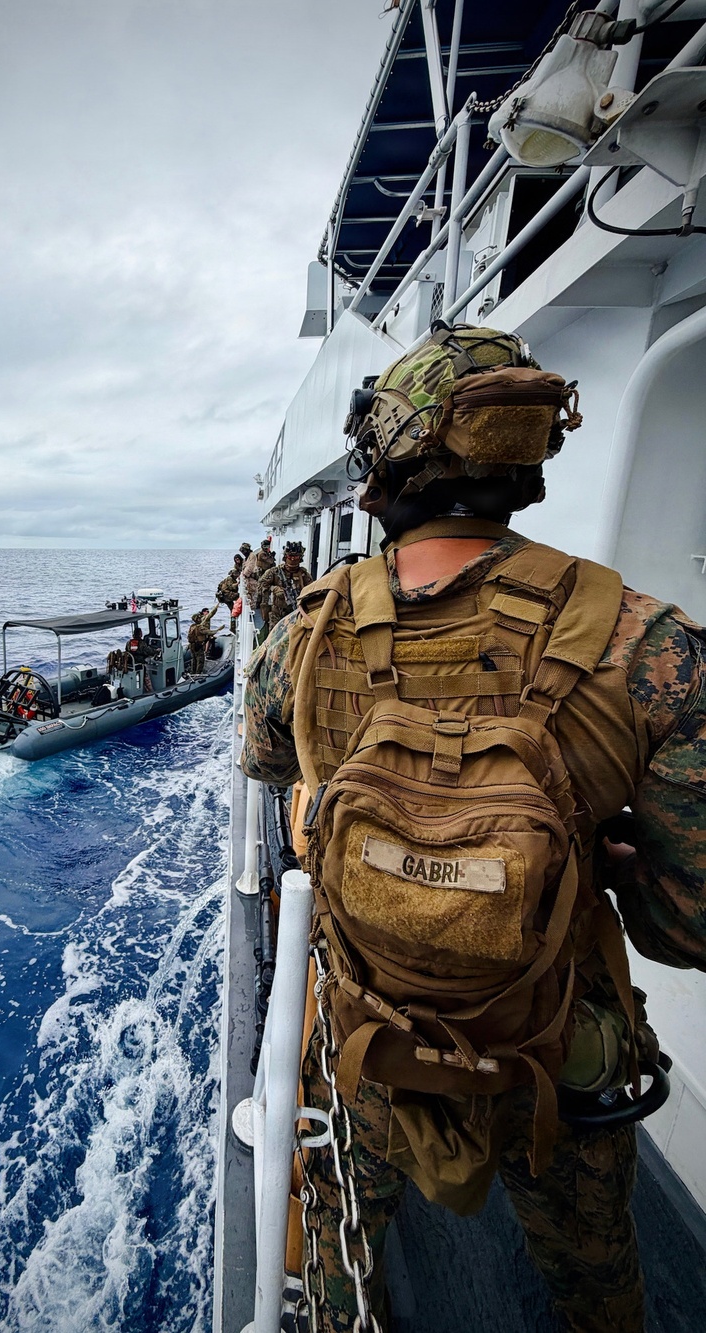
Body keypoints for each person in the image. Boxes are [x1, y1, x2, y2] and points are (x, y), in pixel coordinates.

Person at [241, 322, 706, 1333]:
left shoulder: (299, 637)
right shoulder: (646, 642)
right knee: (595, 1277)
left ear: (390, 451)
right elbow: (690, 927)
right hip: (557, 1049)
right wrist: (605, 867)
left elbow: (275, 783)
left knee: (338, 1241)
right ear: (528, 452)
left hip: (369, 1034)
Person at [255, 540, 312, 642]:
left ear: (300, 558)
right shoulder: (275, 572)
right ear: (286, 557)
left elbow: (312, 591)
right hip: (277, 614)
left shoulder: (304, 575)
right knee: (274, 641)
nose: (293, 559)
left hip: (297, 614)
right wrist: (274, 588)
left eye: (296, 557)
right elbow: (260, 585)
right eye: (290, 557)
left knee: (295, 640)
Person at [242, 536, 275, 613]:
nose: (266, 548)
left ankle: (259, 605)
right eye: (265, 546)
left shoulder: (265, 553)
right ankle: (258, 606)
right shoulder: (261, 554)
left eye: (267, 546)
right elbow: (270, 561)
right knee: (260, 591)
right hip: (262, 574)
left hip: (266, 573)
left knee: (262, 591)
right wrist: (271, 557)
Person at [187, 605, 218, 675]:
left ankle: (192, 672)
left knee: (193, 660)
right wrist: (217, 630)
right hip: (198, 646)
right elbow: (208, 632)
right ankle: (198, 674)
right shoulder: (200, 627)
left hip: (192, 645)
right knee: (200, 660)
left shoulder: (192, 626)